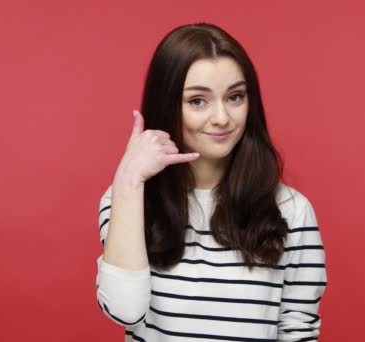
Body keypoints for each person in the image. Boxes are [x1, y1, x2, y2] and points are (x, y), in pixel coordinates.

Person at [96, 22, 327, 341]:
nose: (222, 117)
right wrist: (129, 178)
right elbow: (124, 310)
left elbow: (298, 329)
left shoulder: (291, 210)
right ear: (167, 106)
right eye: (197, 101)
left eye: (235, 97)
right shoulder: (127, 199)